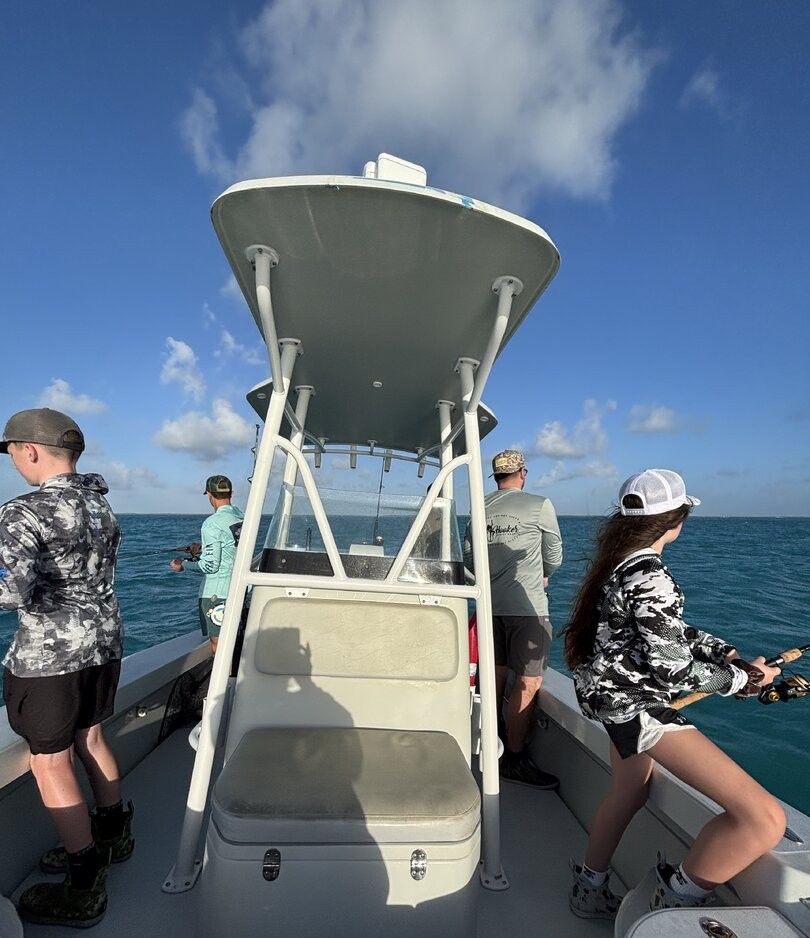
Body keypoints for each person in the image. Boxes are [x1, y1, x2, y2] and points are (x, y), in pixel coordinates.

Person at [565, 469, 785, 919]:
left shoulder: (620, 561)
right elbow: (671, 669)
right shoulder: (651, 574)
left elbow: (665, 630)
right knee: (763, 819)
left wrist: (721, 651)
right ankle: (668, 906)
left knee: (628, 791)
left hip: (609, 698)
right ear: (676, 519)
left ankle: (588, 890)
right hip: (635, 706)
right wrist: (743, 681)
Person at [0, 408, 134, 928]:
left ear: (30, 451)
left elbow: (8, 591)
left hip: (50, 659)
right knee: (92, 740)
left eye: (12, 451)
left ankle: (85, 884)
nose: (12, 462)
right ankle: (113, 835)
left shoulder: (22, 511)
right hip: (104, 646)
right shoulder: (102, 507)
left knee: (49, 762)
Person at [465, 449, 563, 789]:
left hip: (488, 607)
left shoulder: (480, 508)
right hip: (527, 609)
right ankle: (515, 759)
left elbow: (468, 558)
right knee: (528, 682)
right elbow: (554, 556)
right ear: (523, 472)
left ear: (495, 477)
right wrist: (543, 576)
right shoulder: (540, 505)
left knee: (495, 677)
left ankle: (491, 745)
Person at [170, 475, 244, 654]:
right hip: (240, 590)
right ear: (231, 493)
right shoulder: (241, 517)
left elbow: (210, 566)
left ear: (209, 495)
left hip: (217, 594)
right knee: (236, 641)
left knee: (219, 646)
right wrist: (203, 550)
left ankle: (225, 682)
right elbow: (231, 548)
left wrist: (183, 565)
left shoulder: (211, 524)